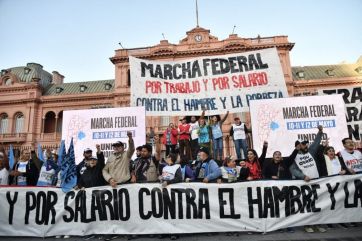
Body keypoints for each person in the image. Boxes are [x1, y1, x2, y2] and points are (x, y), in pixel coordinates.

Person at [289, 125, 326, 233]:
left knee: (318, 204)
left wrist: (320, 131)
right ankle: (307, 225)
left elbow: (316, 142)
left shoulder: (311, 152)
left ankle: (317, 224)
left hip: (316, 182)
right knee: (307, 205)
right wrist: (303, 176)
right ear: (298, 146)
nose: (306, 145)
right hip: (304, 184)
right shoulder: (293, 156)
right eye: (303, 144)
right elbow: (293, 170)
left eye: (306, 143)